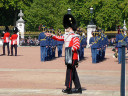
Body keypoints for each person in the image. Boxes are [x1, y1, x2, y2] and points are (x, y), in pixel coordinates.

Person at [46, 14, 82, 94]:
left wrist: (70, 50)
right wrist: (51, 35)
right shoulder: (67, 35)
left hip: (72, 56)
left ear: (70, 28)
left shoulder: (75, 36)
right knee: (73, 72)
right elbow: (59, 38)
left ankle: (68, 88)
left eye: (67, 27)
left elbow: (77, 46)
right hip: (69, 56)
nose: (65, 29)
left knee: (69, 72)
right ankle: (78, 88)